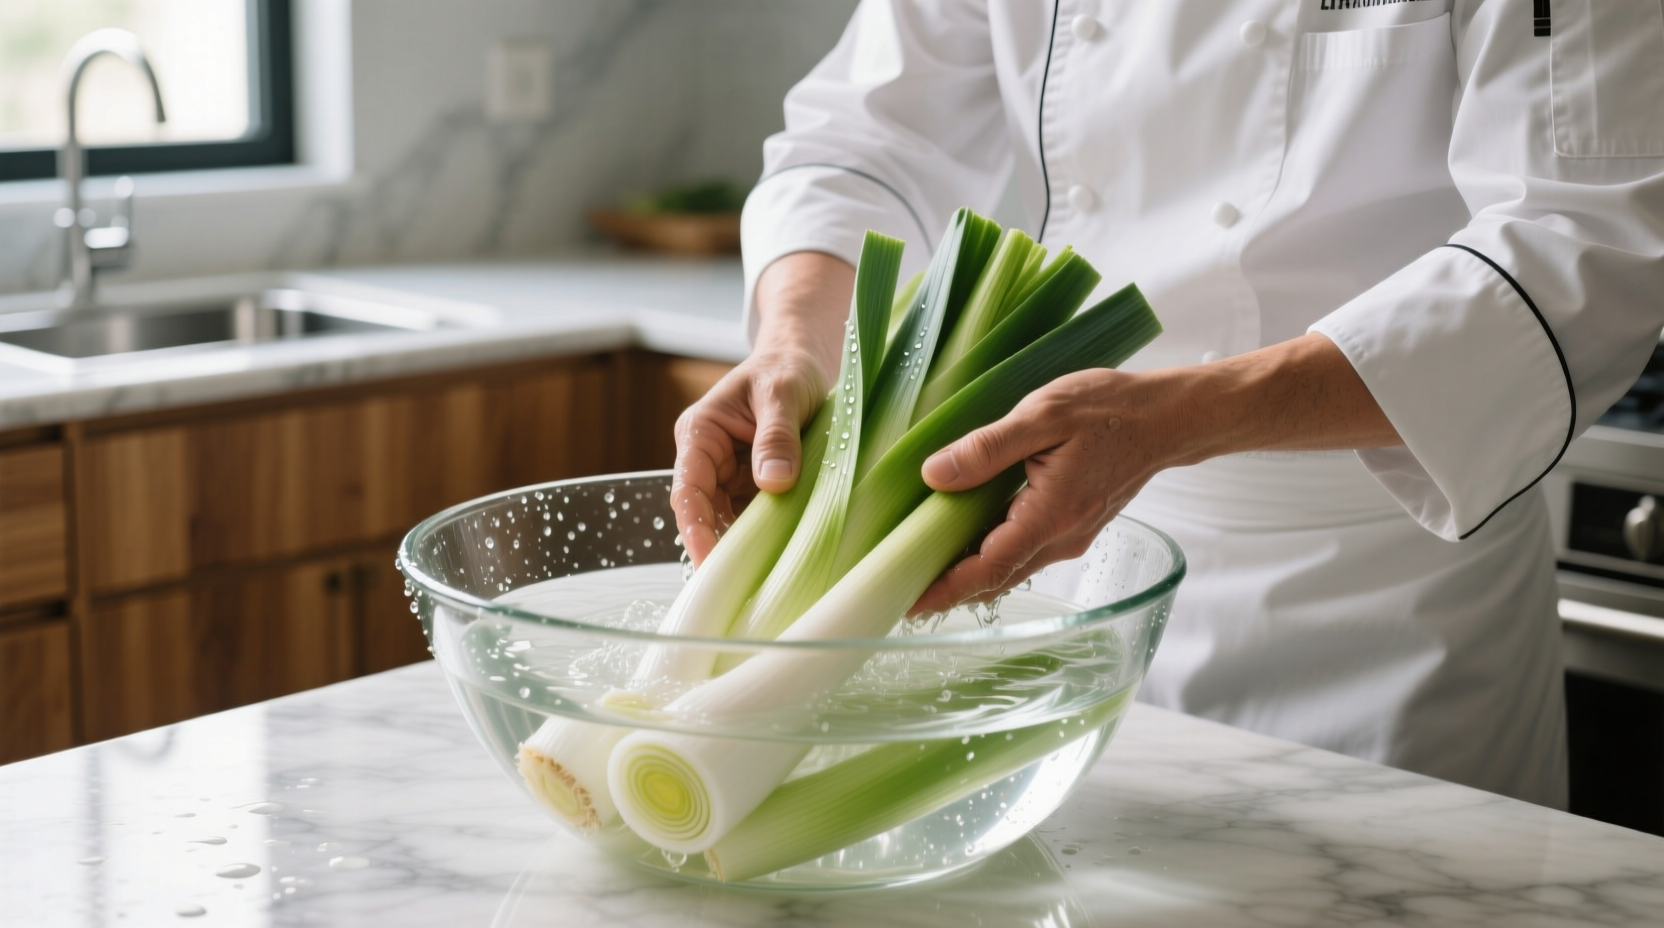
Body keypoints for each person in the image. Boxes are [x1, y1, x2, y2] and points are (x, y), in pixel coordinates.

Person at [670, 0, 1664, 808]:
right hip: (1079, 567)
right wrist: (794, 336)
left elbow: (1583, 241)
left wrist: (1174, 419)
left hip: (1382, 601)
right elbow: (862, 141)